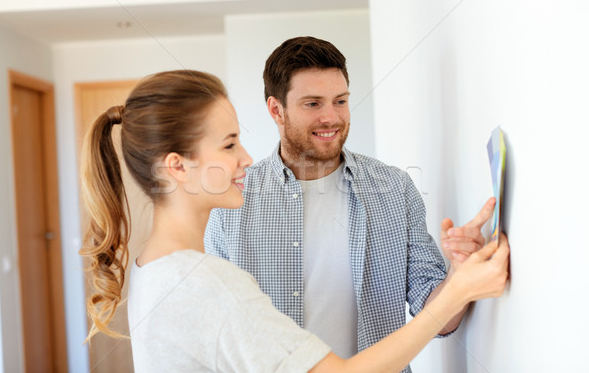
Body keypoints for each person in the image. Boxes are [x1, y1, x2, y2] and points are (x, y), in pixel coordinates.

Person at [80, 69, 509, 373]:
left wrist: (455, 279)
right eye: (229, 144)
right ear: (177, 167)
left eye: (340, 100)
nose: (245, 158)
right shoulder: (209, 281)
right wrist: (462, 289)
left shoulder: (152, 265)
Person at [205, 36, 495, 368]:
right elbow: (220, 334)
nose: (331, 118)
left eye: (340, 101)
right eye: (312, 104)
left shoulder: (395, 190)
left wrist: (459, 271)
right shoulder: (232, 203)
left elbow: (439, 320)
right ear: (276, 110)